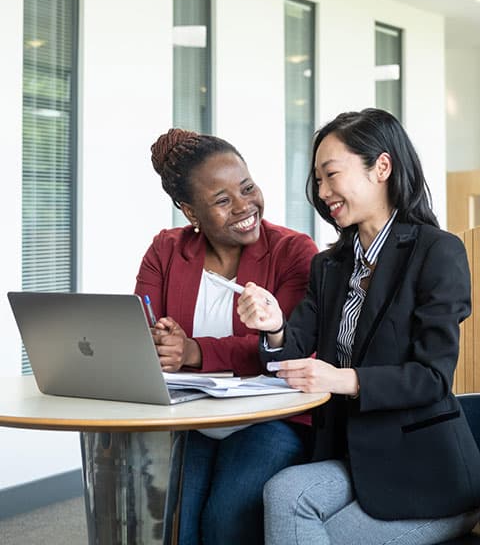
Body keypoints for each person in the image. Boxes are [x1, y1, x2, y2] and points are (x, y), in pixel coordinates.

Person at [237, 108, 480, 545]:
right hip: (356, 457)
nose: (323, 190)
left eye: (331, 175)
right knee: (282, 492)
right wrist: (273, 327)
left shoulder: (437, 253)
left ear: (381, 167)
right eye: (317, 180)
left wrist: (343, 379)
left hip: (428, 475)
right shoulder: (329, 265)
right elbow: (292, 346)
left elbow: (432, 378)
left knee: (317, 530)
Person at [134, 128, 318, 545]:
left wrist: (193, 351)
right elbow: (140, 329)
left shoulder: (294, 252)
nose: (244, 206)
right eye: (222, 201)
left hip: (271, 419)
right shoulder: (166, 250)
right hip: (194, 420)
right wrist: (158, 341)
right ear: (190, 213)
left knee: (224, 524)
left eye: (247, 187)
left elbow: (289, 346)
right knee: (177, 529)